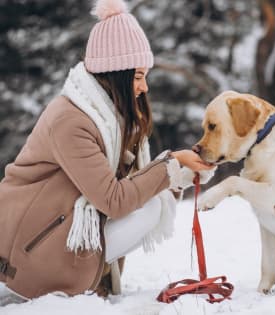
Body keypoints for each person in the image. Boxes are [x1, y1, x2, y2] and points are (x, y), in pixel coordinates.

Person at [0, 0, 215, 300]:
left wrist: (177, 174)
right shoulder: (72, 121)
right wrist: (171, 162)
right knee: (148, 208)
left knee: (152, 204)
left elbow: (135, 187)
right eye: (139, 77)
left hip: (50, 232)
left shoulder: (108, 118)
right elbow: (114, 200)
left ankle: (89, 275)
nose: (144, 88)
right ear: (118, 74)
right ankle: (63, 279)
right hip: (27, 249)